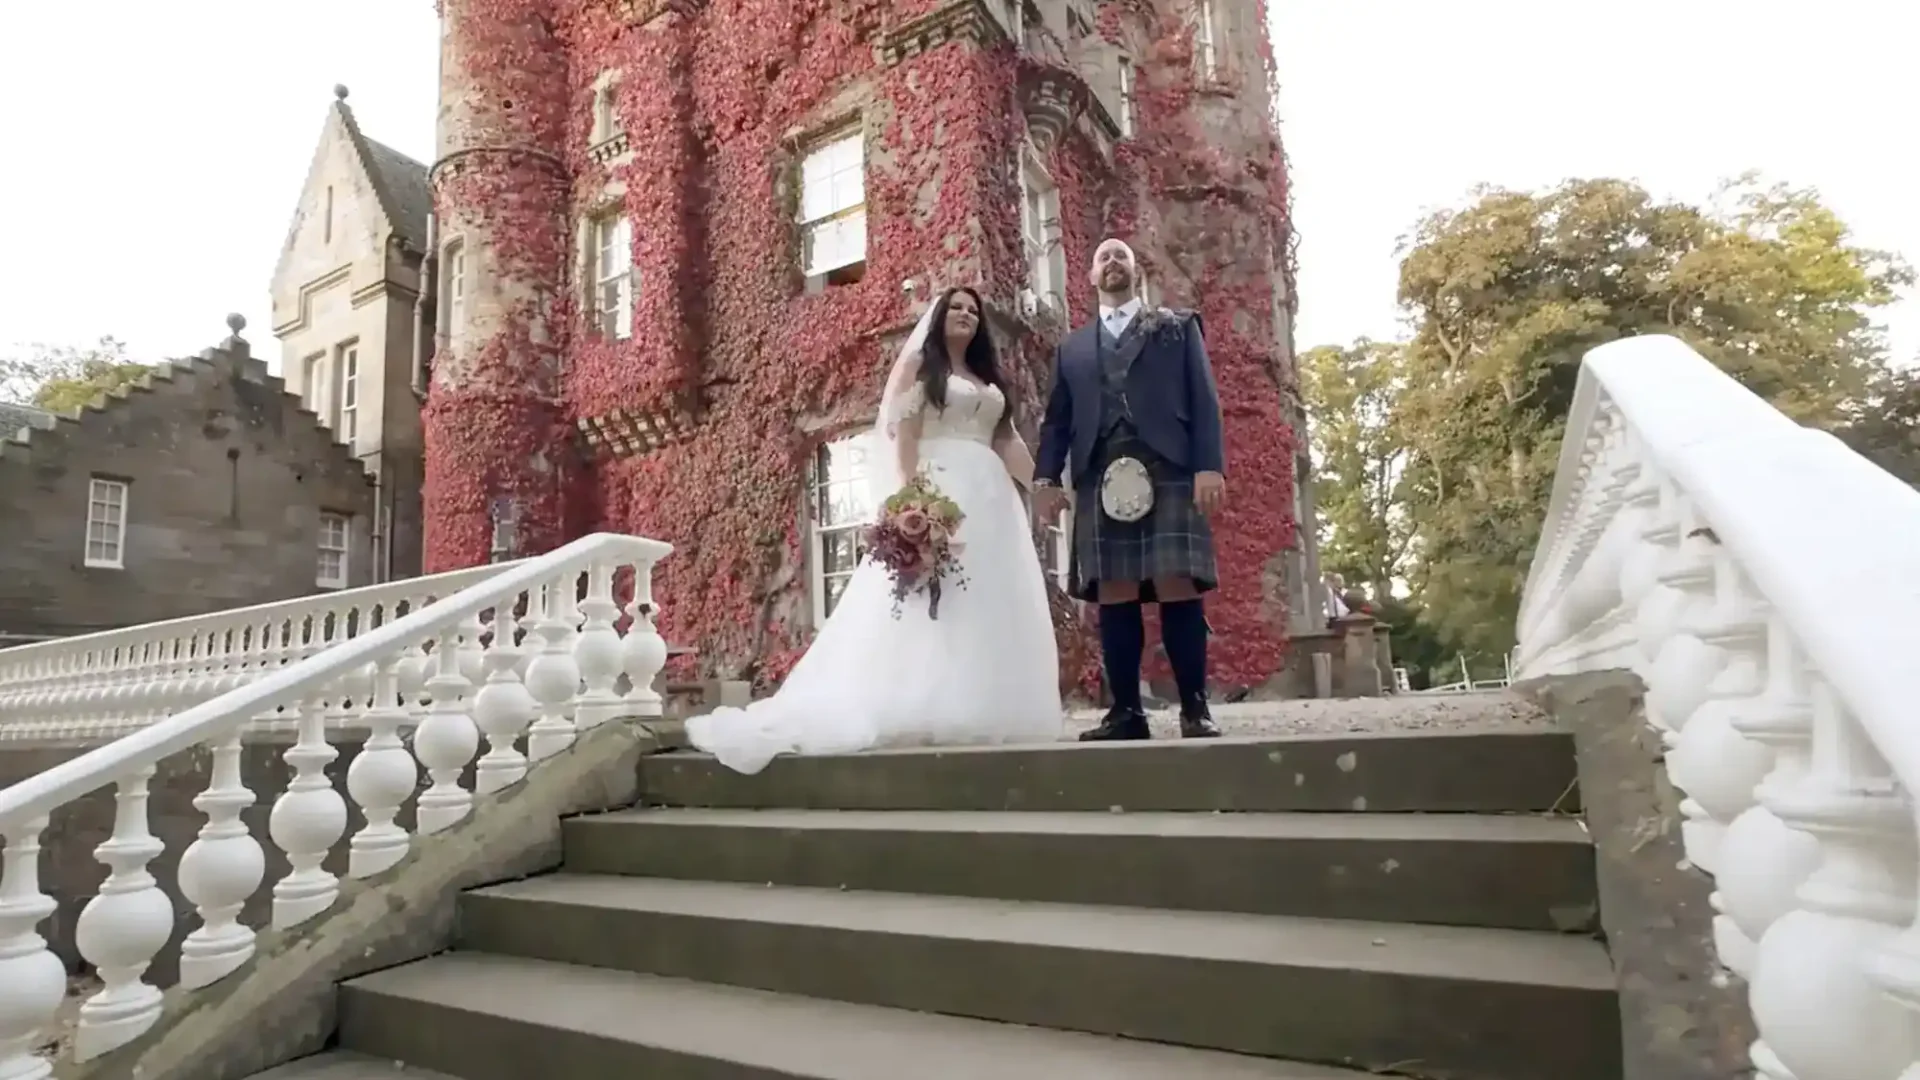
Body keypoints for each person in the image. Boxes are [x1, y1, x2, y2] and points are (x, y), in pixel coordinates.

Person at [685, 286, 1064, 774]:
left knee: (988, 596)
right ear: (939, 318)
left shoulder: (988, 380)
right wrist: (913, 499)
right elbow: (903, 436)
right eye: (957, 308)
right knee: (931, 599)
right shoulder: (920, 371)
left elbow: (1005, 438)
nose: (966, 316)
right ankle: (919, 701)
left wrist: (1041, 486)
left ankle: (986, 702)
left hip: (991, 497)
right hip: (940, 486)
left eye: (973, 311)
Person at [1033, 239, 1225, 740]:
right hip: (1099, 474)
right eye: (1103, 257)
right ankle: (1126, 714)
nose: (1113, 261)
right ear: (1091, 277)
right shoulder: (1072, 348)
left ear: (1136, 270)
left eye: (1122, 255)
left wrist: (1209, 467)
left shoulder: (1177, 328)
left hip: (1170, 465)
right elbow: (1057, 423)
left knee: (1175, 581)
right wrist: (1046, 480)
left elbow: (1204, 400)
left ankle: (1194, 709)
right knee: (1113, 592)